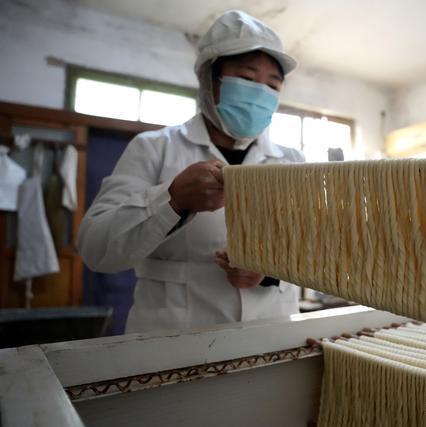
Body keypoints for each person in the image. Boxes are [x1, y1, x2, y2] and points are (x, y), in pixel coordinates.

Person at [77, 10, 303, 333]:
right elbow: (96, 249)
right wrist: (173, 200)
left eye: (272, 85)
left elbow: (315, 250)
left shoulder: (293, 161)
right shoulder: (154, 148)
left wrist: (269, 272)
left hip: (272, 337)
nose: (259, 93)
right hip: (174, 344)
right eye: (247, 78)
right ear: (210, 80)